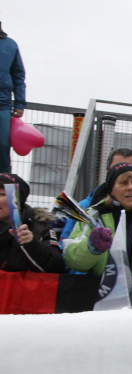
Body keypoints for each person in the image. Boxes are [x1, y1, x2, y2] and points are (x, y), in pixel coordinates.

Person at [61, 148, 132, 244]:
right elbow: (67, 249)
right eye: (118, 169)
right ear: (108, 173)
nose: (125, 173)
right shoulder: (84, 209)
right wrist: (90, 249)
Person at [0, 173, 64, 273]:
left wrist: (31, 244)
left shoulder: (39, 228)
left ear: (18, 200)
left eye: (2, 194)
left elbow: (55, 268)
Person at [0, 22, 27, 175]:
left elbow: (18, 76)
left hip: (3, 105)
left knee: (3, 149)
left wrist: (19, 104)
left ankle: (8, 197)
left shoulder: (10, 45)